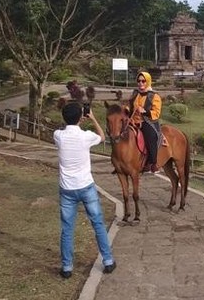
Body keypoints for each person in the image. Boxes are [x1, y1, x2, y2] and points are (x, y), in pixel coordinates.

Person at [53, 102, 115, 279]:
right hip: (86, 186)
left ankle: (67, 267)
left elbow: (62, 129)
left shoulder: (58, 135)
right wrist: (93, 118)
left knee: (67, 228)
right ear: (81, 117)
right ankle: (108, 261)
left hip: (67, 189)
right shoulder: (86, 136)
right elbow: (102, 137)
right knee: (98, 224)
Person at [129, 71, 162, 173]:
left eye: (143, 81)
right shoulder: (135, 94)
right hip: (133, 121)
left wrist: (145, 111)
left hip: (148, 122)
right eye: (139, 81)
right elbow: (130, 106)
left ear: (148, 82)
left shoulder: (154, 96)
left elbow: (156, 113)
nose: (141, 83)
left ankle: (152, 163)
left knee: (150, 137)